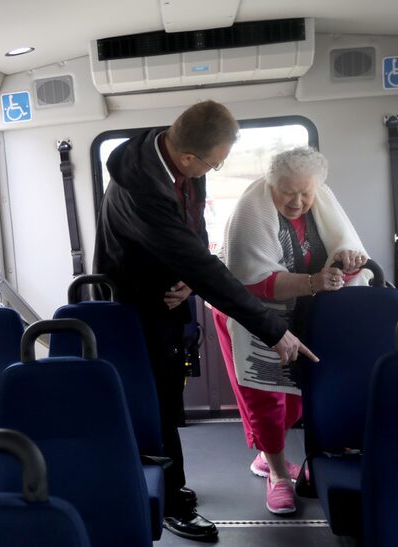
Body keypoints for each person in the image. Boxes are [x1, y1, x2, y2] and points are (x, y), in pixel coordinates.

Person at [93, 101, 318, 541]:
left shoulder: (177, 155)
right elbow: (205, 267)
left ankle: (167, 485)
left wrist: (184, 279)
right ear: (187, 158)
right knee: (153, 404)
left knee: (168, 397)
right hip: (132, 308)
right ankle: (168, 501)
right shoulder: (142, 188)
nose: (211, 172)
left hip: (168, 295)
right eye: (213, 165)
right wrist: (272, 330)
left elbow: (192, 235)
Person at [212, 147, 369, 515]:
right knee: (266, 399)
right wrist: (313, 282)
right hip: (250, 317)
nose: (298, 201)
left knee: (297, 399)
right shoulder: (251, 210)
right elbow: (252, 282)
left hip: (300, 313)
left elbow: (342, 250)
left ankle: (267, 457)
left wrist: (347, 262)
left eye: (306, 193)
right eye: (288, 192)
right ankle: (278, 475)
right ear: (271, 184)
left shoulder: (322, 201)